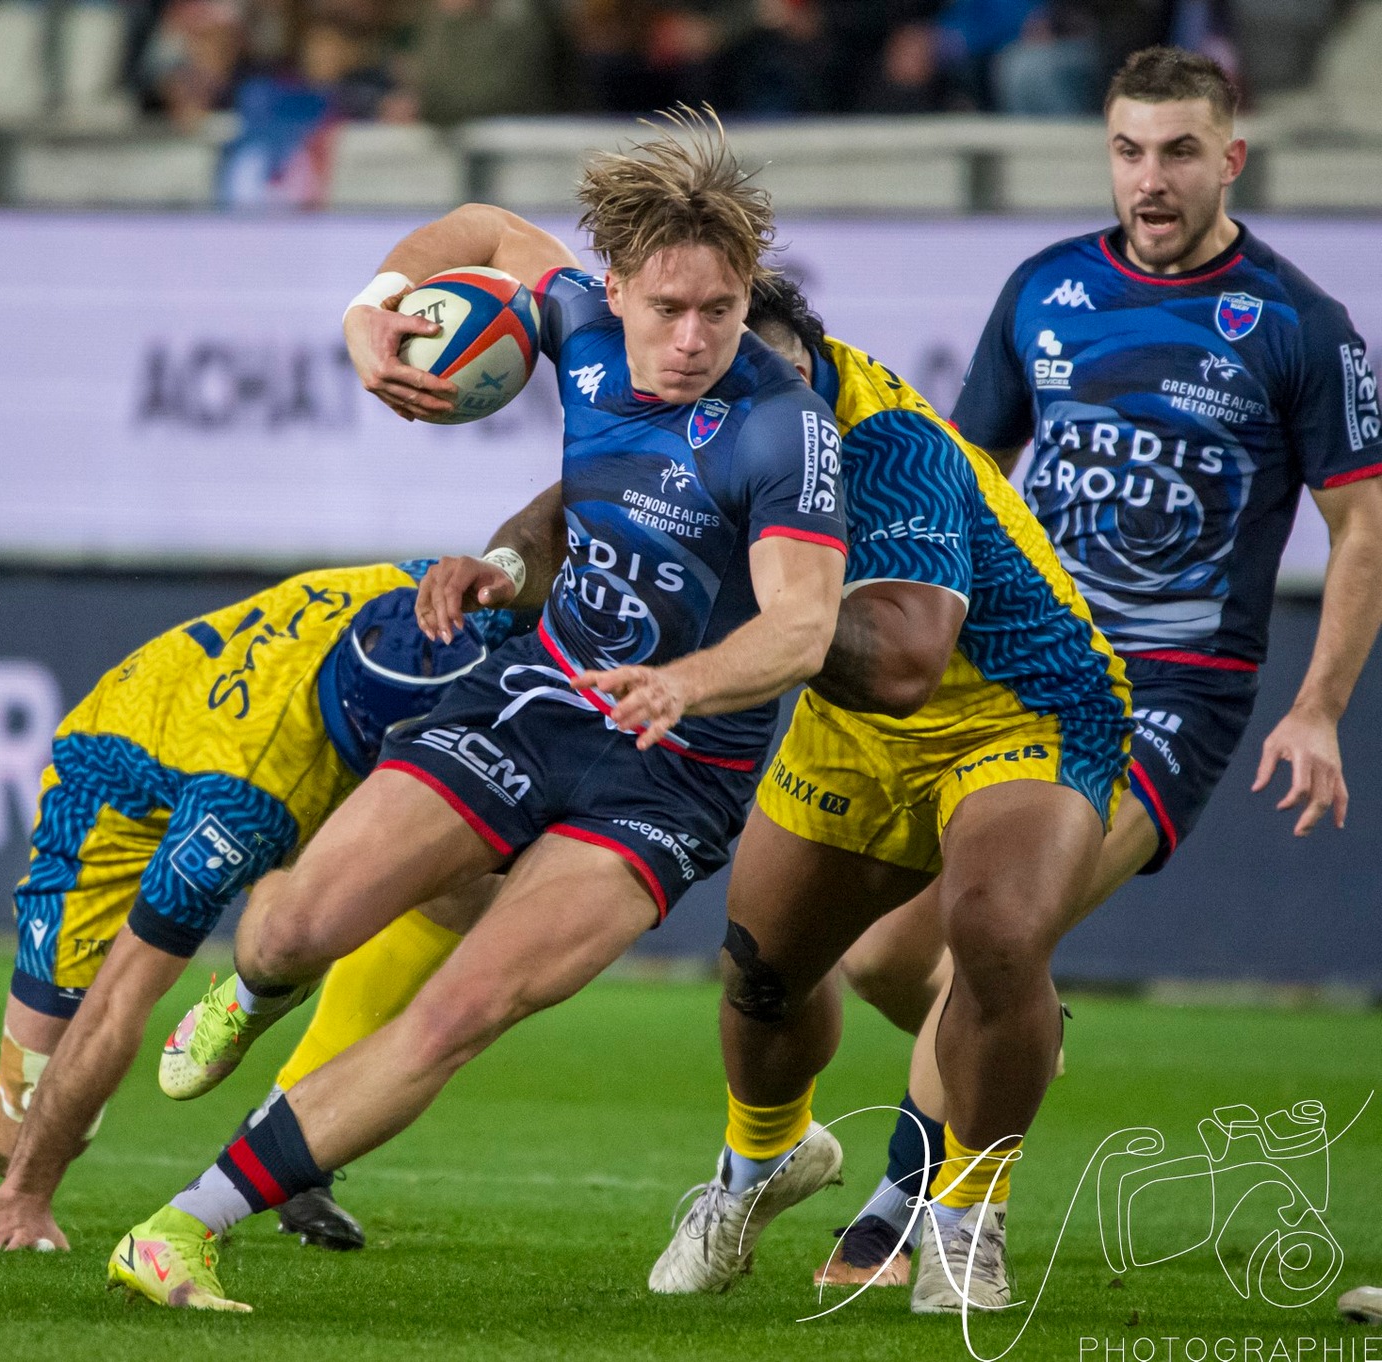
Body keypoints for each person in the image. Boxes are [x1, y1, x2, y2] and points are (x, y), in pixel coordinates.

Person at [110, 108, 849, 1313]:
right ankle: (248, 993)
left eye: (719, 310)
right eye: (667, 308)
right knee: (294, 929)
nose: (692, 337)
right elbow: (475, 230)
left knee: (461, 1010)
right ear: (614, 286)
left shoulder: (784, 427)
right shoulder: (579, 321)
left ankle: (181, 1228)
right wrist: (369, 310)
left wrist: (688, 683)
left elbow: (801, 625)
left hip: (671, 775)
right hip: (536, 697)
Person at [825, 46, 1382, 1293]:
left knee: (985, 941)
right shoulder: (1045, 289)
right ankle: (1025, 1026)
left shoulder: (1297, 326)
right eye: (1129, 150)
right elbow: (958, 475)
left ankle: (912, 1212)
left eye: (1179, 151)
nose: (1150, 178)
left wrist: (1319, 708)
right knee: (875, 959)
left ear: (1229, 157)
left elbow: (1362, 526)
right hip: (1030, 675)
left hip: (1175, 694)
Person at [640, 271, 1130, 1314]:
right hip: (853, 729)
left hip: (1021, 706)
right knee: (759, 973)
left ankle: (964, 1218)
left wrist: (723, 636)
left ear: (800, 369)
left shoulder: (886, 444)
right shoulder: (670, 385)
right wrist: (507, 561)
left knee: (995, 936)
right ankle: (756, 1164)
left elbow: (903, 663)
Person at [0, 558, 514, 1252]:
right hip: (112, 790)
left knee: (464, 872)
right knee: (25, 1126)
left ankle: (291, 1125)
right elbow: (118, 1006)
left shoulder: (435, 599)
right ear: (372, 735)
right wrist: (27, 1196)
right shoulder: (242, 802)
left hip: (230, 721)